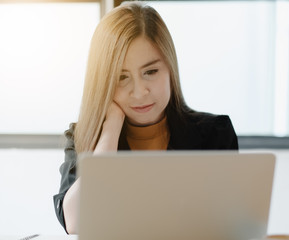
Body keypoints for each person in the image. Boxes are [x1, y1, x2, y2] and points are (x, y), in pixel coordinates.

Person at [53, 1, 238, 234]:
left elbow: (228, 225)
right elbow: (74, 221)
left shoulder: (215, 134)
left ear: (170, 68)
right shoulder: (84, 137)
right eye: (121, 77)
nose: (140, 92)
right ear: (103, 82)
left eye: (150, 72)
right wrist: (110, 129)